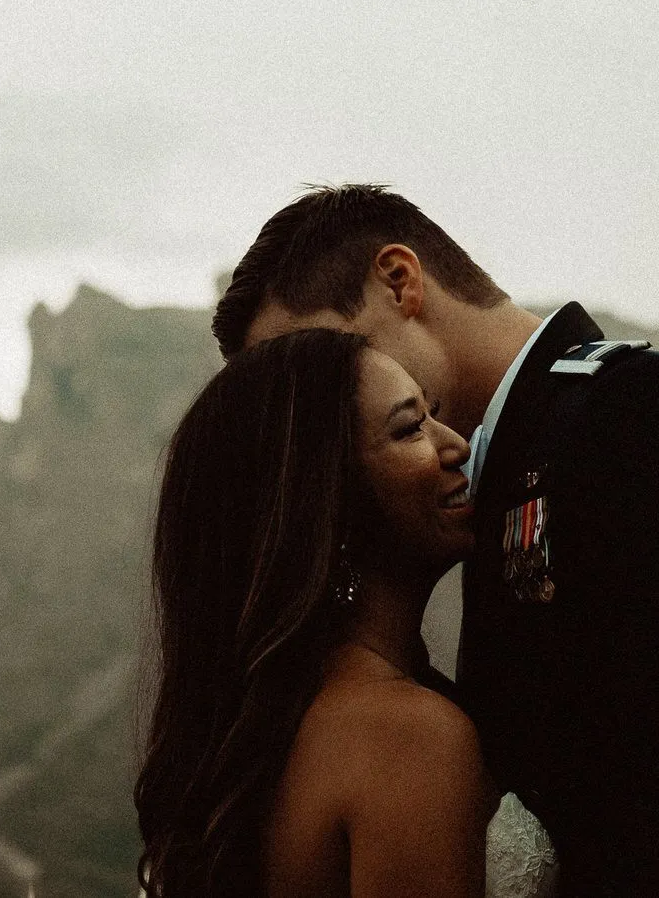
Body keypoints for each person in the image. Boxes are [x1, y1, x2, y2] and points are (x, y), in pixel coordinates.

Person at [212, 185, 659, 896]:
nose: (309, 406)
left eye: (321, 357)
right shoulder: (523, 456)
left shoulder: (645, 421)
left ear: (399, 280)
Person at [135, 328, 558, 897]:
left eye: (433, 415)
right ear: (325, 504)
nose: (457, 444)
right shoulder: (405, 737)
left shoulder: (265, 730)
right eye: (410, 428)